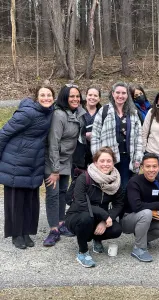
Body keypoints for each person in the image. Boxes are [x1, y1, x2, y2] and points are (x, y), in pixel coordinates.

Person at [0, 86, 54, 249]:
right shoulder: (27, 113)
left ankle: (26, 232)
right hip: (16, 161)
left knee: (30, 201)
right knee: (16, 200)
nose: (46, 98)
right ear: (36, 98)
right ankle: (16, 234)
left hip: (33, 163)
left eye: (49, 95)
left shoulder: (50, 112)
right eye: (42, 95)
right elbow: (4, 133)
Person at [65, 147, 124, 268]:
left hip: (99, 218)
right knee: (86, 218)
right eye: (102, 161)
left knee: (116, 229)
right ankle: (82, 252)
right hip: (77, 215)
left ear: (113, 162)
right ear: (96, 162)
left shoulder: (115, 181)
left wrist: (105, 220)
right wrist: (104, 214)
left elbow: (119, 204)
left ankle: (96, 238)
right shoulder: (84, 178)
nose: (105, 164)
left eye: (109, 161)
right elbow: (80, 203)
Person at [43, 84, 86, 247]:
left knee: (62, 192)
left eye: (77, 96)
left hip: (67, 158)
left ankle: (61, 223)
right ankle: (53, 230)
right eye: (71, 96)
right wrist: (54, 170)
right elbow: (53, 142)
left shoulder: (77, 113)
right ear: (64, 98)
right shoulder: (59, 115)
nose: (75, 99)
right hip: (53, 159)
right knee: (53, 194)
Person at [122, 153, 159, 262]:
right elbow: (136, 206)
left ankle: (142, 239)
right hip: (127, 220)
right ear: (142, 167)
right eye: (148, 166)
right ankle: (139, 248)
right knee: (146, 212)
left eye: (154, 166)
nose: (151, 170)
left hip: (147, 218)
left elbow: (158, 206)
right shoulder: (134, 182)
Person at [91, 82, 143, 190]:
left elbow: (139, 138)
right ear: (113, 94)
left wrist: (138, 157)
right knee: (109, 188)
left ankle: (124, 207)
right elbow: (95, 136)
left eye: (123, 93)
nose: (120, 96)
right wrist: (97, 157)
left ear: (127, 95)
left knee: (125, 189)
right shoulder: (104, 111)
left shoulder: (133, 113)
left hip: (127, 158)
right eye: (118, 92)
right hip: (109, 159)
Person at [72, 87, 102, 173]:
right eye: (90, 95)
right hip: (79, 152)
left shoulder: (103, 112)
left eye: (95, 95)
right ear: (86, 96)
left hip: (97, 151)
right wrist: (84, 135)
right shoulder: (77, 111)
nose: (92, 97)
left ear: (99, 98)